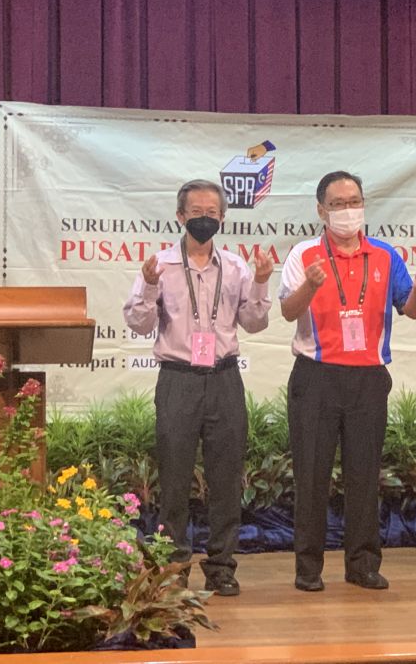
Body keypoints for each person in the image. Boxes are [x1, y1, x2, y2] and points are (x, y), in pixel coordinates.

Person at [278, 170, 416, 592]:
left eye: (354, 201)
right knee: (312, 475)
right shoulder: (304, 254)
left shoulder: (385, 255)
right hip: (316, 377)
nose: (348, 210)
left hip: (368, 378)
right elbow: (288, 313)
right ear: (321, 210)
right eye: (338, 203)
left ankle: (363, 564)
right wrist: (309, 286)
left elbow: (412, 310)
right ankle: (308, 569)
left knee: (364, 475)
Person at [123, 179, 273, 596]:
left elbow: (255, 323)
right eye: (196, 212)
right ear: (180, 216)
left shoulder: (237, 267)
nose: (204, 219)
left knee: (226, 478)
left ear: (223, 218)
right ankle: (174, 565)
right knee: (174, 478)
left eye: (212, 213)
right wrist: (149, 284)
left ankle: (222, 565)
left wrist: (261, 281)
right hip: (178, 380)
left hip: (224, 378)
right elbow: (139, 324)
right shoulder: (161, 266)